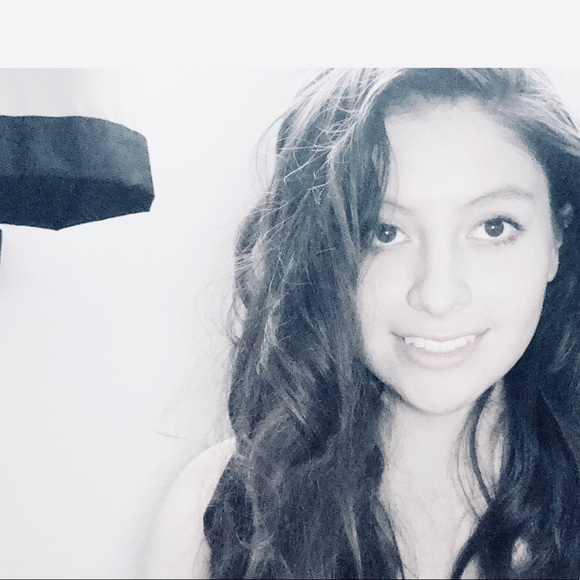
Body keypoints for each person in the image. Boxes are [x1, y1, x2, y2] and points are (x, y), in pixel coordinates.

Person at [146, 69, 580, 579]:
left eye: (493, 227)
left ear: (557, 238)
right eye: (384, 232)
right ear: (320, 253)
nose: (437, 295)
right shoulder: (214, 509)